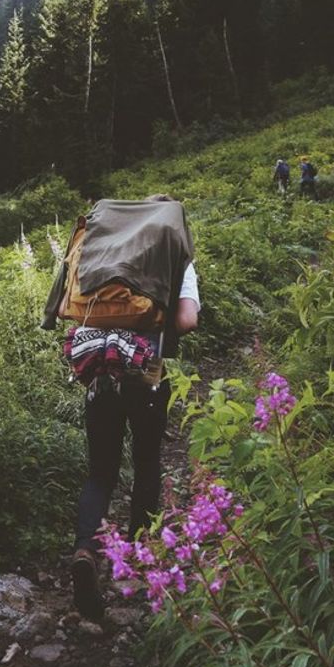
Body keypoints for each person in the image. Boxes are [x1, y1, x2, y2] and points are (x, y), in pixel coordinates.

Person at [42, 195, 199, 620]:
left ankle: (86, 551)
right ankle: (140, 561)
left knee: (101, 471)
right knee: (147, 464)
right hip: (149, 373)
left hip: (98, 370)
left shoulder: (101, 246)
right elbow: (186, 321)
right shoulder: (174, 252)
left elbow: (65, 306)